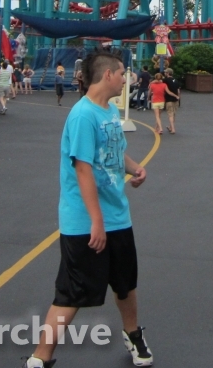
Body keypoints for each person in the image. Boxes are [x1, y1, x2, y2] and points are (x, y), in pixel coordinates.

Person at [22, 51, 152, 368]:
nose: (126, 78)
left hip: (117, 217)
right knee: (72, 291)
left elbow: (113, 151)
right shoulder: (82, 116)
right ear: (107, 76)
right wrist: (96, 221)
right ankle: (40, 357)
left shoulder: (108, 110)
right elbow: (82, 169)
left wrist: (135, 169)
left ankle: (133, 334)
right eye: (122, 73)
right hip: (85, 222)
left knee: (125, 284)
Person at [163, 68, 181, 134]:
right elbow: (178, 91)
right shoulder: (176, 80)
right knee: (174, 114)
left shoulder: (165, 80)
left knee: (170, 114)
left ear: (167, 73)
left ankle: (173, 129)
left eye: (165, 72)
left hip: (169, 99)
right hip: (176, 99)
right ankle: (170, 127)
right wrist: (178, 97)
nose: (164, 74)